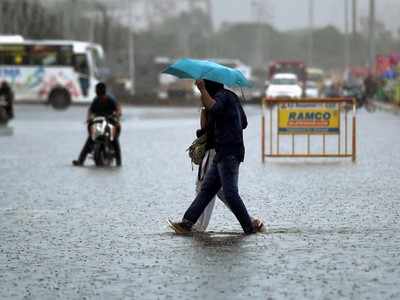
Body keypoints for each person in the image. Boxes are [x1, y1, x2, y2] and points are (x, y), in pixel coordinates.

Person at [171, 79, 263, 234]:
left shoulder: (221, 97)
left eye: (205, 86)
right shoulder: (231, 96)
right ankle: (187, 223)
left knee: (230, 193)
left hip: (229, 152)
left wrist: (202, 90)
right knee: (207, 190)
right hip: (222, 152)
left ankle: (249, 226)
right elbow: (243, 122)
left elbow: (215, 108)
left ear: (209, 86)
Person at [72, 82, 122, 166]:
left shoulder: (110, 99)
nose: (101, 98)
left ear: (104, 92)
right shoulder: (96, 100)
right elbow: (90, 110)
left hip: (110, 120)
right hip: (99, 122)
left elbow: (118, 108)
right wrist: (88, 118)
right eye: (99, 95)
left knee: (114, 140)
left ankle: (119, 162)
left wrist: (117, 114)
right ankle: (80, 161)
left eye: (101, 96)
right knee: (90, 139)